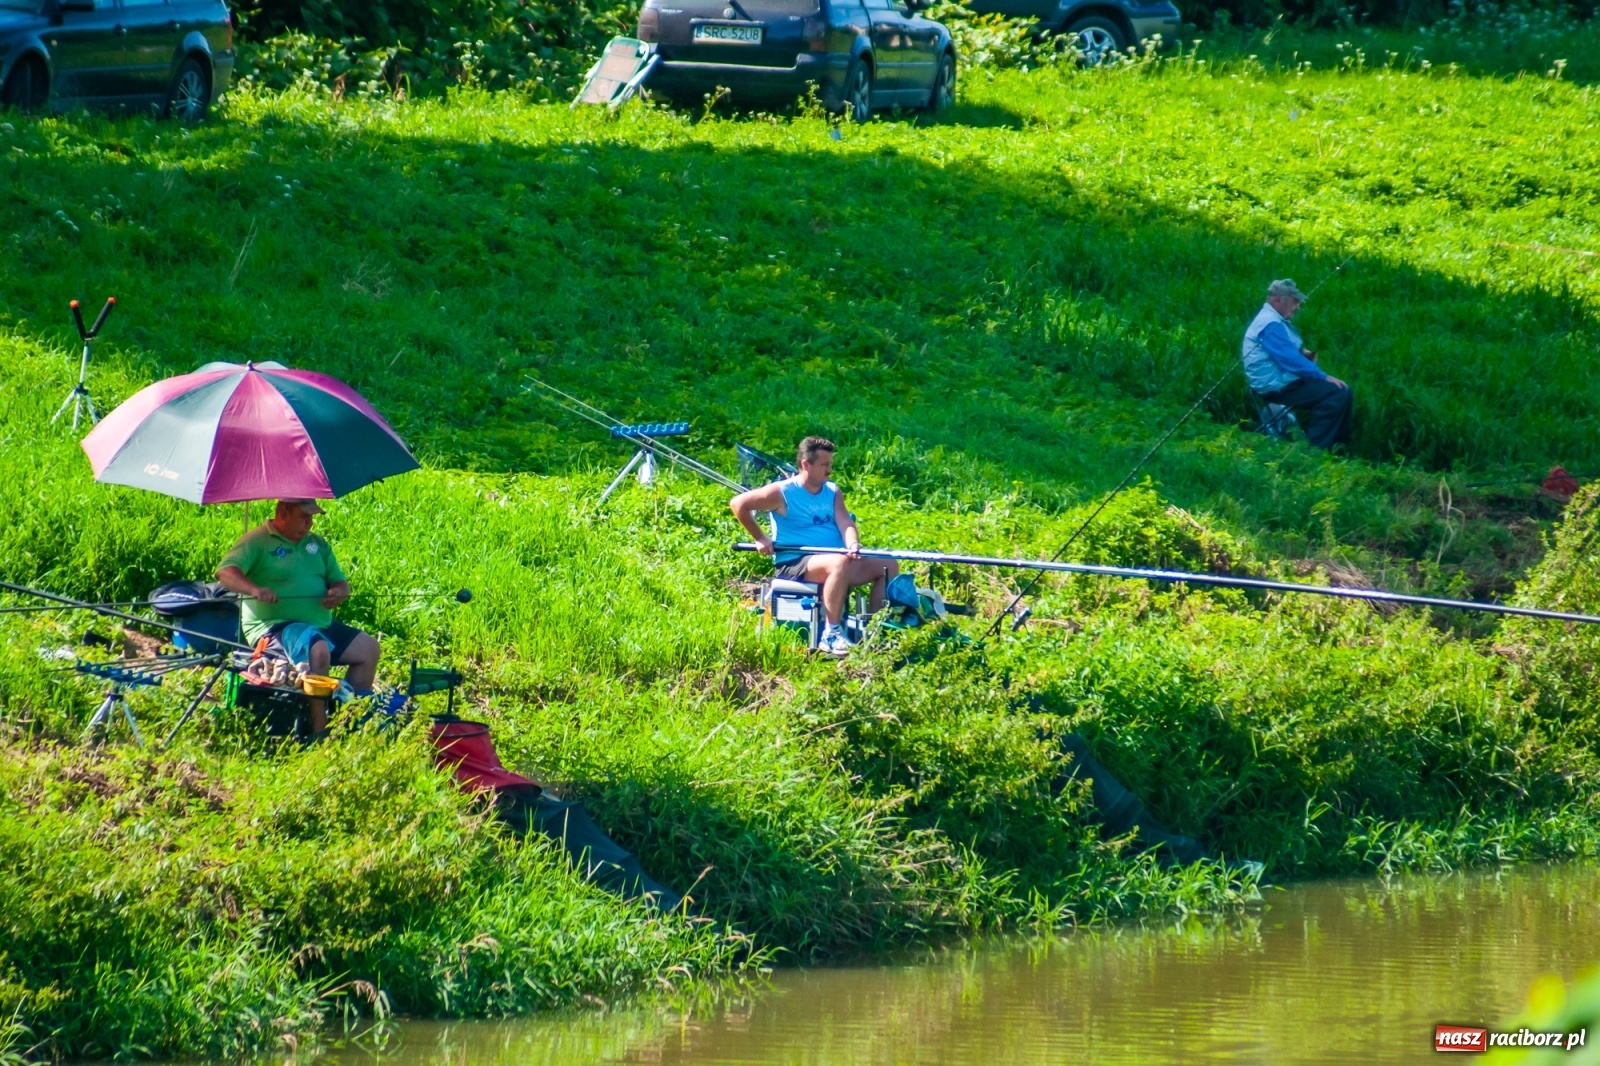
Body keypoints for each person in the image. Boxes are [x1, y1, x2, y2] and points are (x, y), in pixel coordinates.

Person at [215, 499, 380, 735]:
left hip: (320, 622)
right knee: (318, 649)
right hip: (275, 626)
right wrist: (254, 590)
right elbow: (226, 571)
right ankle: (319, 731)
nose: (309, 523)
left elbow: (340, 582)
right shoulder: (257, 541)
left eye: (312, 517)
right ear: (283, 511)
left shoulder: (317, 545)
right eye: (304, 517)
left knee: (368, 649)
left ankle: (347, 721)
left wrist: (338, 592)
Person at [731, 436, 899, 657]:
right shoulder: (782, 492)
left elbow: (845, 522)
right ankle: (831, 634)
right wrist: (760, 538)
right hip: (796, 562)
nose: (829, 470)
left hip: (836, 560)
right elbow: (738, 504)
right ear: (805, 465)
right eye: (824, 465)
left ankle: (876, 632)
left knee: (888, 564)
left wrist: (853, 544)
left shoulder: (832, 491)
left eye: (830, 464)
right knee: (837, 563)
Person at [1242, 278, 1353, 451]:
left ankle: (1336, 447)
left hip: (1284, 382)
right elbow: (1290, 362)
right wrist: (1323, 376)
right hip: (1277, 387)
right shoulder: (1269, 323)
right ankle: (1315, 450)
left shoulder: (1273, 320)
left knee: (1343, 390)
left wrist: (1303, 353)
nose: (1298, 306)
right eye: (1295, 301)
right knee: (1336, 393)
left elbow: (1287, 351)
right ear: (1278, 300)